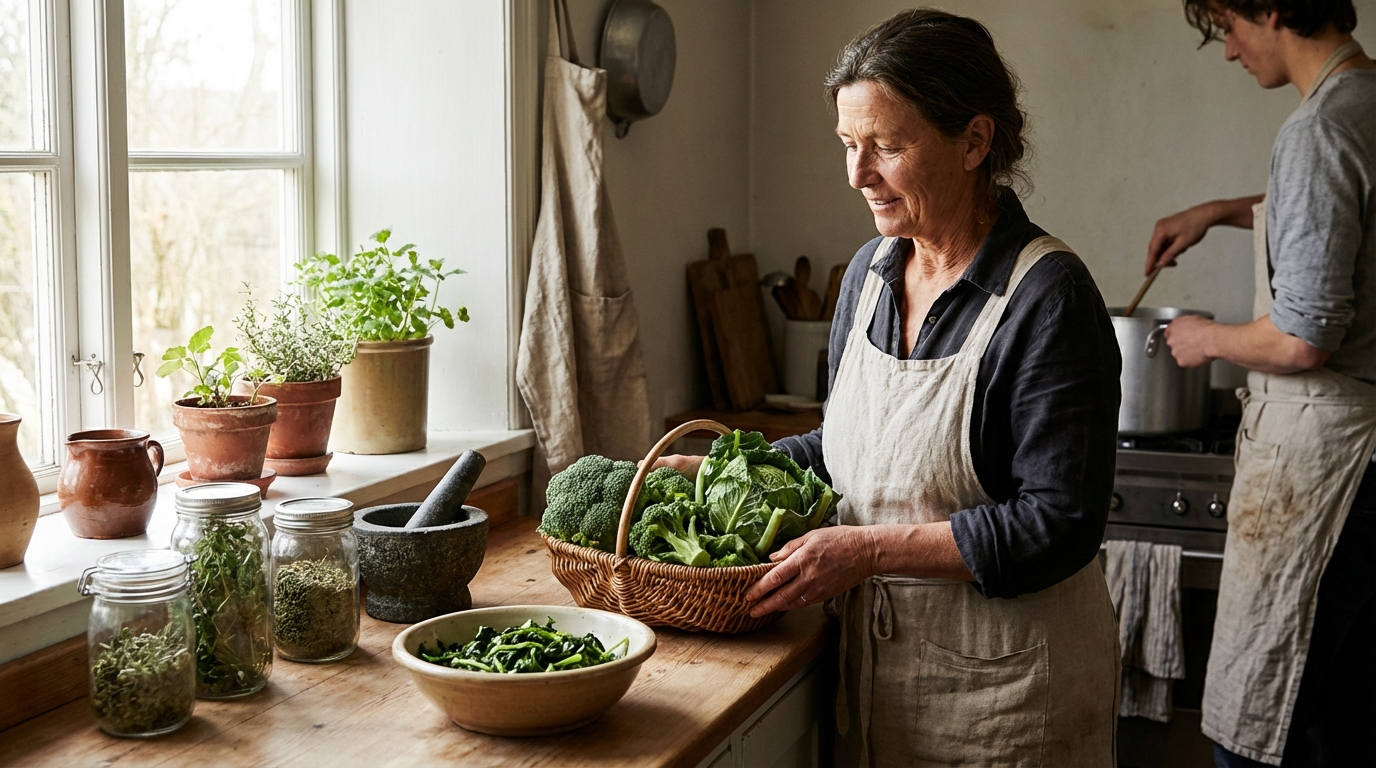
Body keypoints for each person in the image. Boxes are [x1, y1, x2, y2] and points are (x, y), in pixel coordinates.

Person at [660, 9, 1122, 765]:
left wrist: (868, 552)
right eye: (848, 144)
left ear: (975, 141)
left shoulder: (1048, 299)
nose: (857, 174)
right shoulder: (870, 277)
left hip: (1007, 705)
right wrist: (725, 466)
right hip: (882, 688)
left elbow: (1060, 524)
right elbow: (855, 451)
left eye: (888, 147)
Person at [1144, 2, 1376, 766]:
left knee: (1260, 723)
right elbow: (1342, 217)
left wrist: (1200, 338)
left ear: (1270, 9)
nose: (1227, 51)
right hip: (1368, 475)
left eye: (1226, 27)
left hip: (1328, 467)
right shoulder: (1365, 102)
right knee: (1340, 718)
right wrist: (1223, 211)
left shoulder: (1317, 132)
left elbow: (1303, 337)